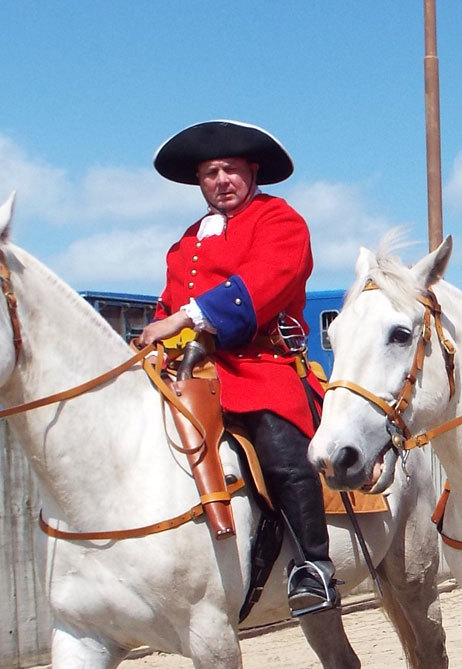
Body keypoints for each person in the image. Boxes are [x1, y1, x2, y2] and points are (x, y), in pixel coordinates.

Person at [136, 120, 338, 615]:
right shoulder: (187, 240)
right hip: (193, 369)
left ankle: (314, 566)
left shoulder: (281, 221)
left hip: (261, 363)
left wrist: (186, 317)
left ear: (252, 172)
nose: (221, 180)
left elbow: (264, 282)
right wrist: (157, 329)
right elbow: (171, 301)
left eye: (230, 170)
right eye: (210, 173)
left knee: (279, 445)